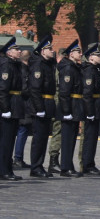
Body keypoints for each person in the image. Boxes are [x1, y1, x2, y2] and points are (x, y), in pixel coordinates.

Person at [27, 38, 58, 178]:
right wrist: (39, 108)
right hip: (41, 104)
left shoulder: (48, 64)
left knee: (44, 137)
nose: (52, 51)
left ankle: (39, 165)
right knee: (39, 138)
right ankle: (35, 167)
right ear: (42, 51)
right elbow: (35, 89)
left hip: (48, 103)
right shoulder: (38, 65)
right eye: (50, 49)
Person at [57, 40, 85, 177]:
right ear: (71, 54)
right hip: (70, 106)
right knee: (67, 139)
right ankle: (65, 167)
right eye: (78, 52)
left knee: (73, 137)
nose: (80, 54)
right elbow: (64, 92)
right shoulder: (68, 68)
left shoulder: (74, 67)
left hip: (75, 105)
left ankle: (69, 165)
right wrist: (66, 111)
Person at [0, 36, 26, 181]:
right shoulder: (6, 65)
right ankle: (4, 170)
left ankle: (7, 168)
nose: (19, 51)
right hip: (9, 104)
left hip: (15, 104)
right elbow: (3, 89)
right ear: (9, 52)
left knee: (10, 140)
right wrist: (5, 109)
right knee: (6, 141)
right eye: (16, 49)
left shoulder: (14, 65)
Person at [80, 43, 100, 175]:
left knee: (93, 136)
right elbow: (88, 93)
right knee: (90, 137)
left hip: (96, 106)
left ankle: (90, 163)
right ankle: (87, 164)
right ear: (91, 57)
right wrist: (89, 112)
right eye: (98, 55)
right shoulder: (90, 70)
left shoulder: (95, 69)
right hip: (92, 107)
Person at [12, 39, 32, 169]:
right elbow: (24, 88)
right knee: (22, 130)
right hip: (23, 104)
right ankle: (18, 157)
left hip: (21, 104)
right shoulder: (23, 69)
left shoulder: (20, 68)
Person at [48, 47, 67, 173]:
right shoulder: (58, 69)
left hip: (59, 103)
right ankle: (53, 161)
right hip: (57, 104)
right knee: (57, 132)